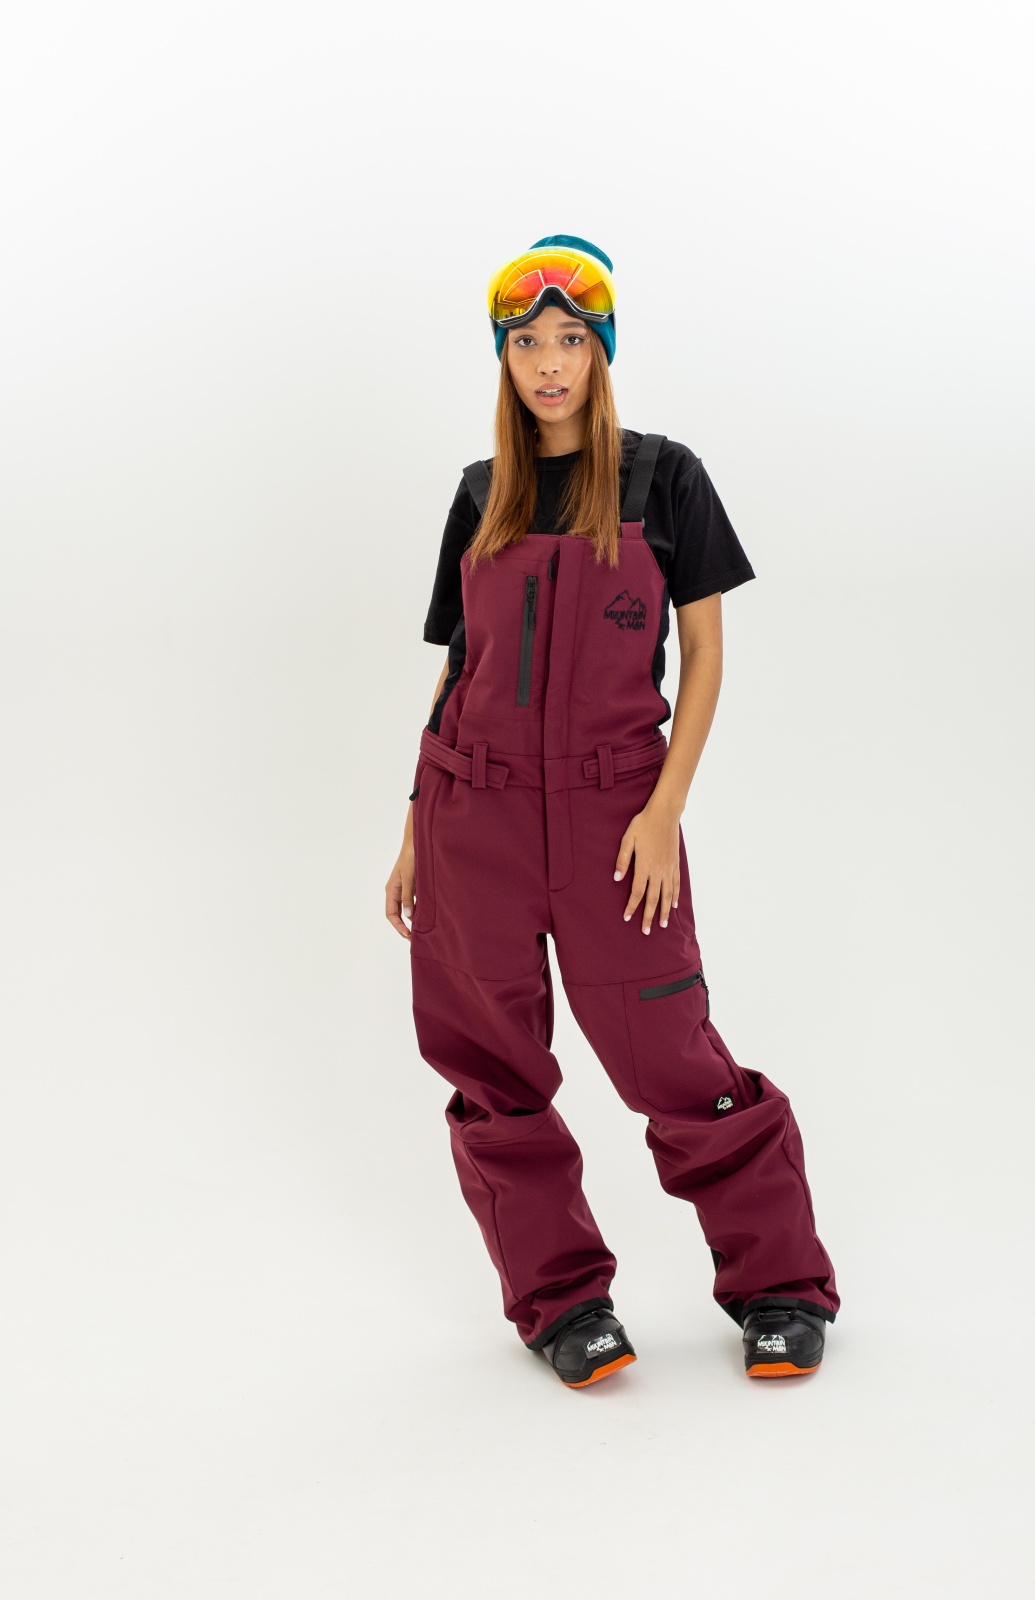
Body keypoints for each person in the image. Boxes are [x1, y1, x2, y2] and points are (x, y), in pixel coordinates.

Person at [385, 235, 839, 1388]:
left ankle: (780, 1287)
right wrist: (412, 831)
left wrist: (661, 810)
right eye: (526, 344)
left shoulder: (662, 478)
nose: (548, 363)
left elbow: (705, 655)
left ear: (600, 352)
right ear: (502, 360)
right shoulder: (479, 494)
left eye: (570, 341)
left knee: (673, 1058)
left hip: (613, 818)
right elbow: (457, 669)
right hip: (472, 819)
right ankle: (562, 1303)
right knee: (493, 1074)